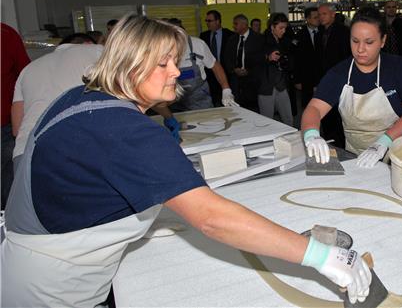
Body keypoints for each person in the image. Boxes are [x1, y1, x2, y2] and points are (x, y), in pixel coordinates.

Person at [2, 15, 372, 306]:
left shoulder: (80, 98)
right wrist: (319, 256)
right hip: (52, 287)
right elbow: (212, 219)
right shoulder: (124, 129)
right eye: (163, 64)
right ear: (130, 64)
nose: (176, 72)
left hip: (28, 265)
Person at [302, 7, 402, 167]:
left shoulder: (400, 68)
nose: (360, 49)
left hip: (396, 151)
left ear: (383, 41)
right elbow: (314, 109)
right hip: (355, 155)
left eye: (369, 42)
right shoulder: (339, 73)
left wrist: (383, 142)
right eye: (355, 41)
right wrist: (311, 134)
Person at [11, 42, 104, 175]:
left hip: (26, 153)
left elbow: (16, 129)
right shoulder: (98, 51)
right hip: (75, 153)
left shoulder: (28, 68)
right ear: (88, 43)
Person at [1, 23, 30, 209]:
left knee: (6, 180)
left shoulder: (5, 34)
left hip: (4, 126)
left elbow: (25, 75)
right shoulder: (5, 33)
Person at [316, 3, 351, 148]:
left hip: (340, 80)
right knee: (326, 115)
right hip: (324, 80)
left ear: (333, 15)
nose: (321, 17)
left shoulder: (343, 32)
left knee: (339, 115)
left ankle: (341, 146)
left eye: (324, 14)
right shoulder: (319, 34)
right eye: (319, 14)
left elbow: (346, 57)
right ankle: (330, 144)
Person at [223, 14, 264, 112]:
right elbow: (226, 58)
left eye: (236, 24)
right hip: (236, 81)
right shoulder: (232, 39)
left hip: (252, 80)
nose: (233, 26)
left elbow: (261, 60)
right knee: (237, 109)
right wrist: (234, 69)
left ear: (244, 24)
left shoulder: (258, 39)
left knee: (253, 109)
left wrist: (249, 71)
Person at [258, 13, 294, 126]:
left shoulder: (283, 41)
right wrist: (267, 57)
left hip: (280, 84)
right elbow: (252, 60)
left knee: (288, 119)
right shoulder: (261, 40)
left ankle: (290, 142)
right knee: (267, 122)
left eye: (285, 28)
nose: (283, 31)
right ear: (272, 27)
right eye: (281, 28)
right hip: (266, 86)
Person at [200, 10, 235, 107]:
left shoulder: (230, 35)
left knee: (228, 101)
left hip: (227, 74)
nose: (207, 23)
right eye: (206, 21)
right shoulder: (204, 36)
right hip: (210, 75)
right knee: (213, 102)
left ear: (218, 21)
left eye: (209, 21)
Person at [294, 7, 323, 108]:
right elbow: (297, 60)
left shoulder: (324, 33)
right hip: (306, 78)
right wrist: (297, 80)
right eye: (315, 17)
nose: (318, 19)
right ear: (307, 19)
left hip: (322, 76)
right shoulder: (299, 36)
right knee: (308, 106)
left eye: (318, 16)